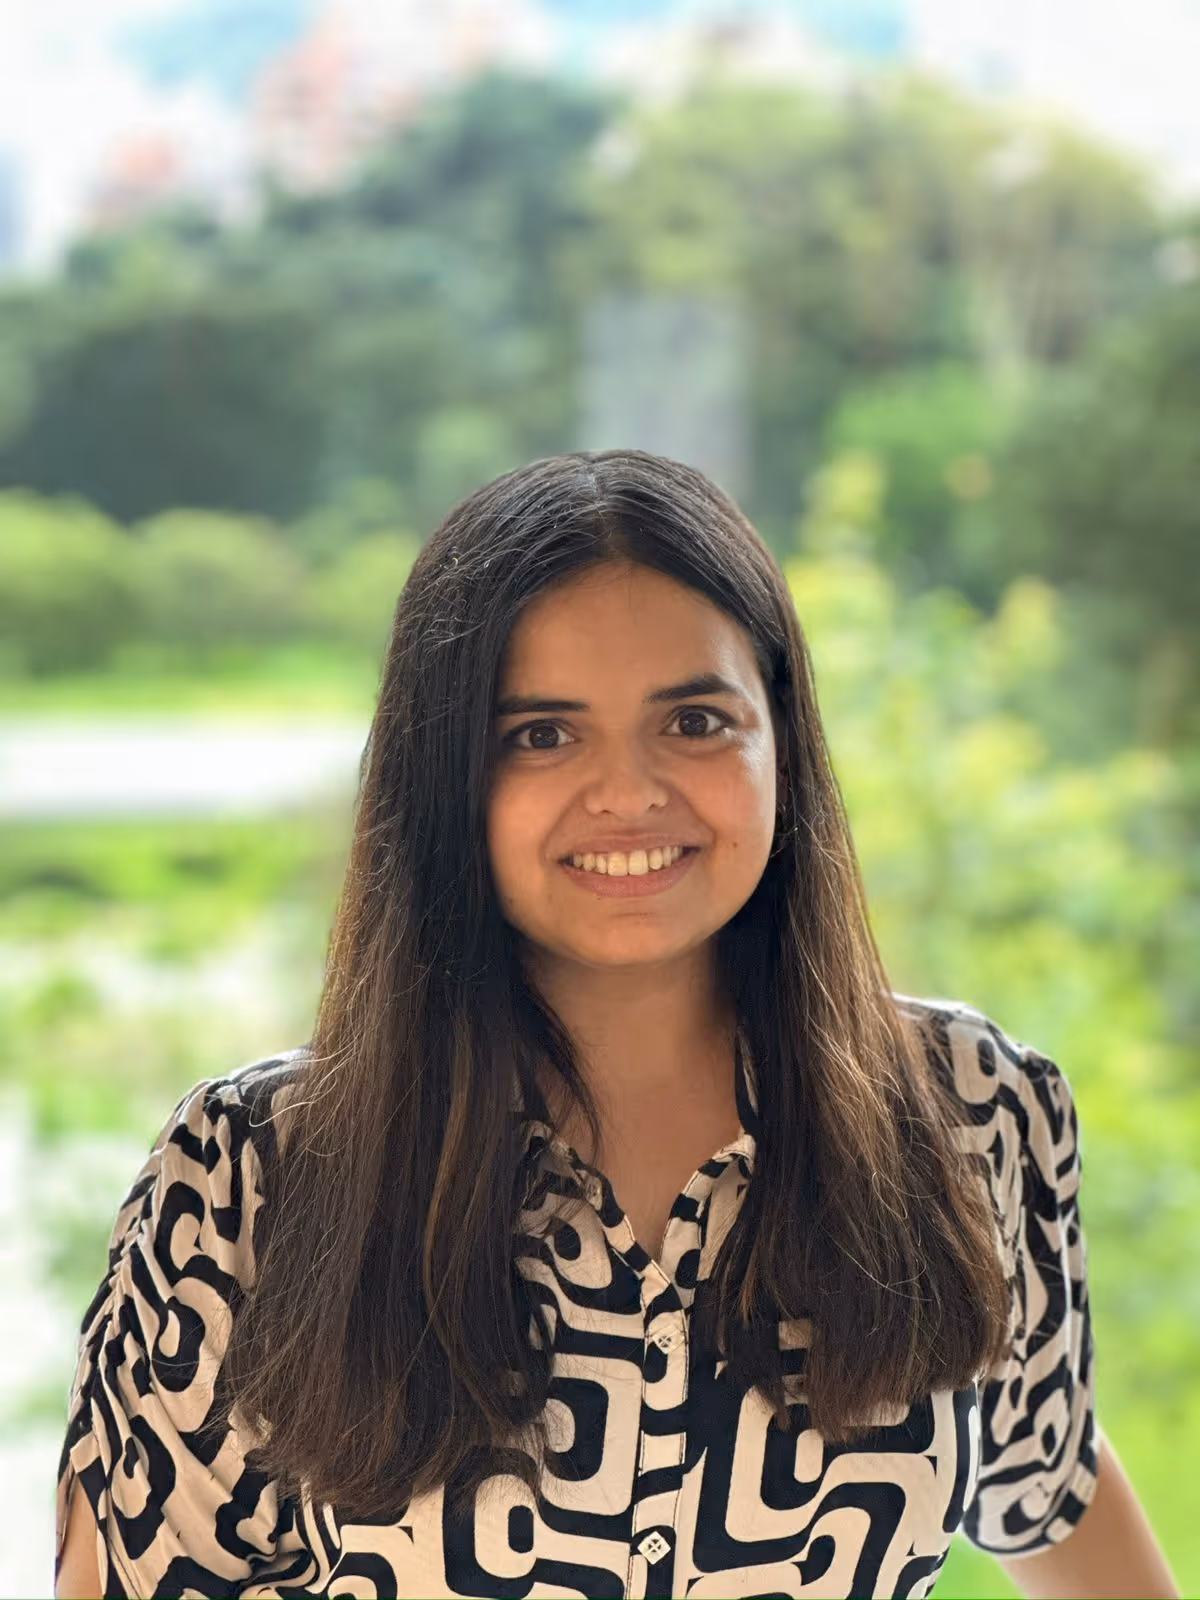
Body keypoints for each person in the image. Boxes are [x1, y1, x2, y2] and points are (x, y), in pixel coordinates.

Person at [56, 449, 1178, 1598]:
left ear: (779, 740)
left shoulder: (975, 1110)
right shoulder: (252, 1173)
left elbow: (1051, 1480)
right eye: (540, 733)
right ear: (444, 776)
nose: (631, 791)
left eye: (694, 720)